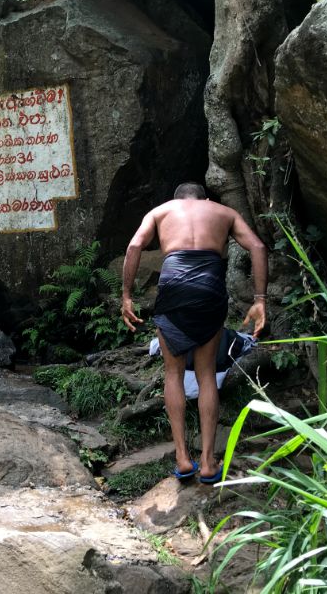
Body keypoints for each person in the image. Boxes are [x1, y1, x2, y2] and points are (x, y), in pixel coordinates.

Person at [121, 182, 267, 484]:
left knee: (173, 373)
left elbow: (134, 246)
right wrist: (259, 300)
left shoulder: (161, 212)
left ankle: (182, 458)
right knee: (205, 373)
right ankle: (209, 462)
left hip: (173, 287)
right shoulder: (222, 211)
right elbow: (258, 246)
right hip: (209, 289)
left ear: (176, 200)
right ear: (206, 200)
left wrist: (126, 295)